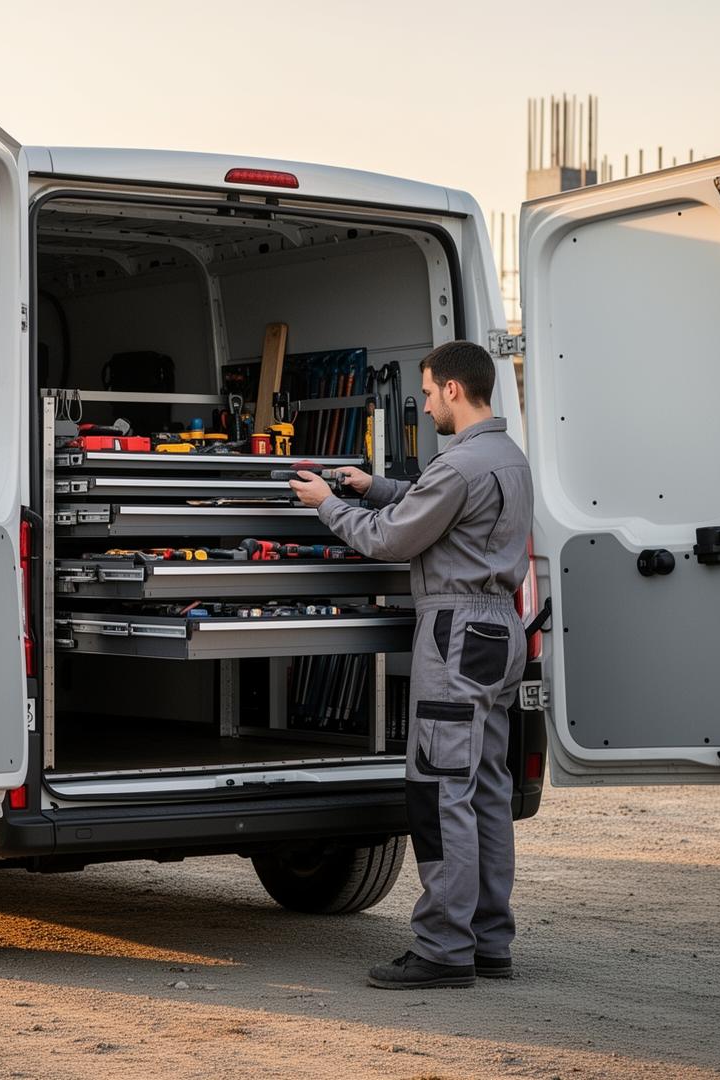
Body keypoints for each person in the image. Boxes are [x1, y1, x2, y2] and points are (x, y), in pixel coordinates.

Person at [288, 340, 533, 989]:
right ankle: (487, 941)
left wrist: (328, 504)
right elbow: (438, 503)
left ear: (454, 389)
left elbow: (392, 538)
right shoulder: (505, 456)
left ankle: (443, 951)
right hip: (500, 631)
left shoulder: (459, 466)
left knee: (438, 790)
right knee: (482, 791)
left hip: (456, 634)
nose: (424, 404)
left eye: (428, 392)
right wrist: (378, 486)